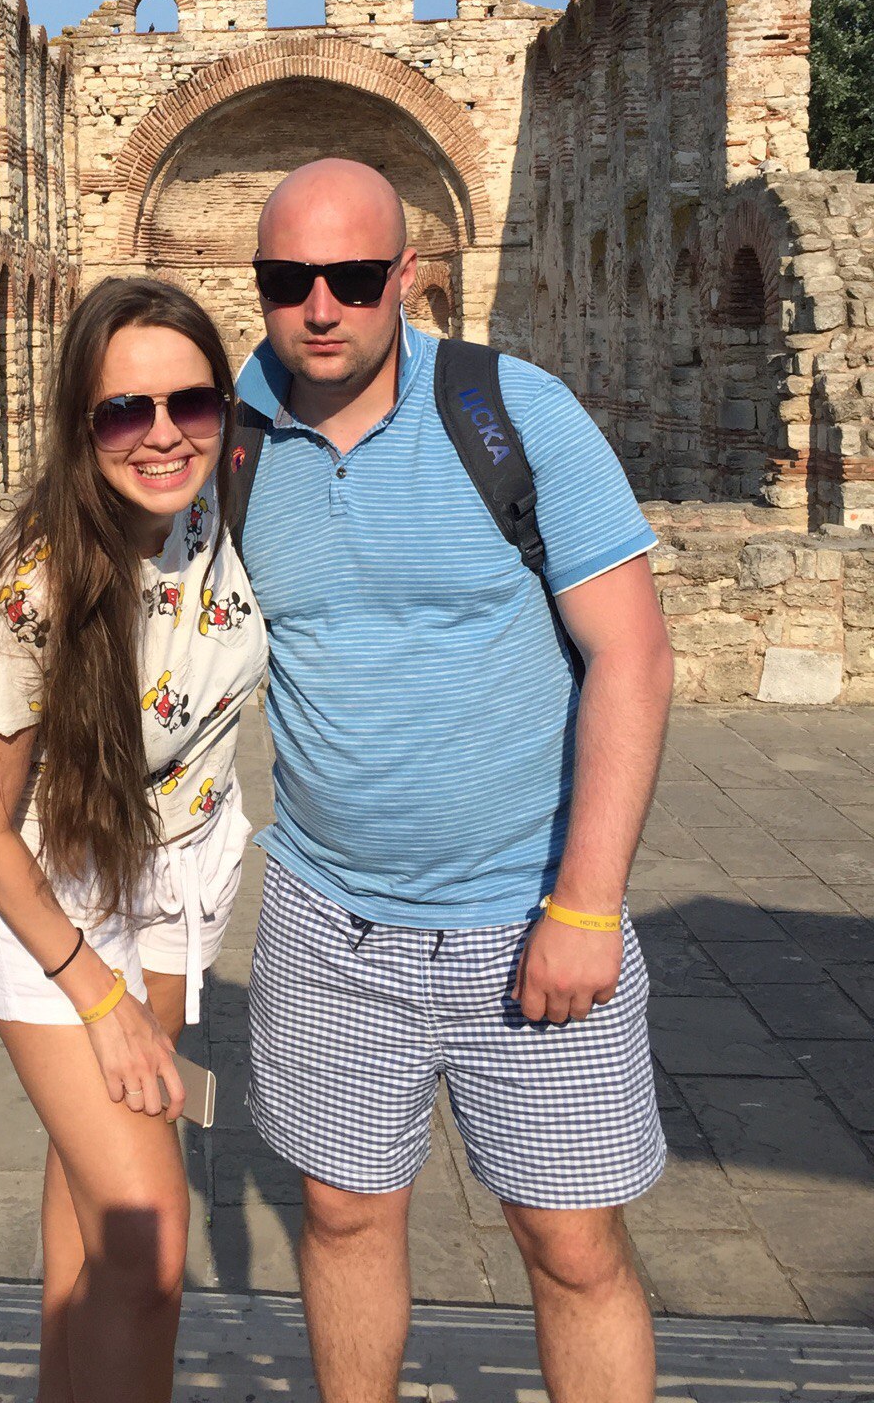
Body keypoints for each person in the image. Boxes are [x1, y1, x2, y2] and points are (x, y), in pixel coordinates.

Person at [234, 159, 673, 1403]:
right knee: (341, 1215)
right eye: (289, 279)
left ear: (407, 273)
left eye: (352, 275)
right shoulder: (229, 434)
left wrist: (587, 902)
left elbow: (632, 654)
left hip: (528, 914)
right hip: (327, 920)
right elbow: (103, 559)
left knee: (571, 1242)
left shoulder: (509, 411)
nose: (322, 305)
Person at [0, 276, 268, 1403]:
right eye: (127, 410)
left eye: (192, 402)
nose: (164, 433)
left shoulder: (228, 491)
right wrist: (98, 996)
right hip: (60, 897)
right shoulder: (35, 587)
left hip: (183, 874)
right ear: (83, 424)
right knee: (148, 1244)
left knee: (90, 1197)